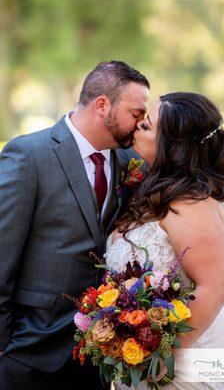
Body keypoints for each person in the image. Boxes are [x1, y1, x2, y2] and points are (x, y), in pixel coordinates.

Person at [0, 61, 149, 390]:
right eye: (136, 114)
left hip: (96, 353)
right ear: (102, 105)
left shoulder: (129, 163)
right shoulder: (29, 155)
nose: (141, 124)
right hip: (28, 349)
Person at [105, 92, 224, 389]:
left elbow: (216, 286)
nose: (136, 128)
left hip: (190, 367)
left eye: (147, 126)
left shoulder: (190, 205)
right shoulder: (156, 189)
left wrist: (164, 353)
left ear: (172, 146)